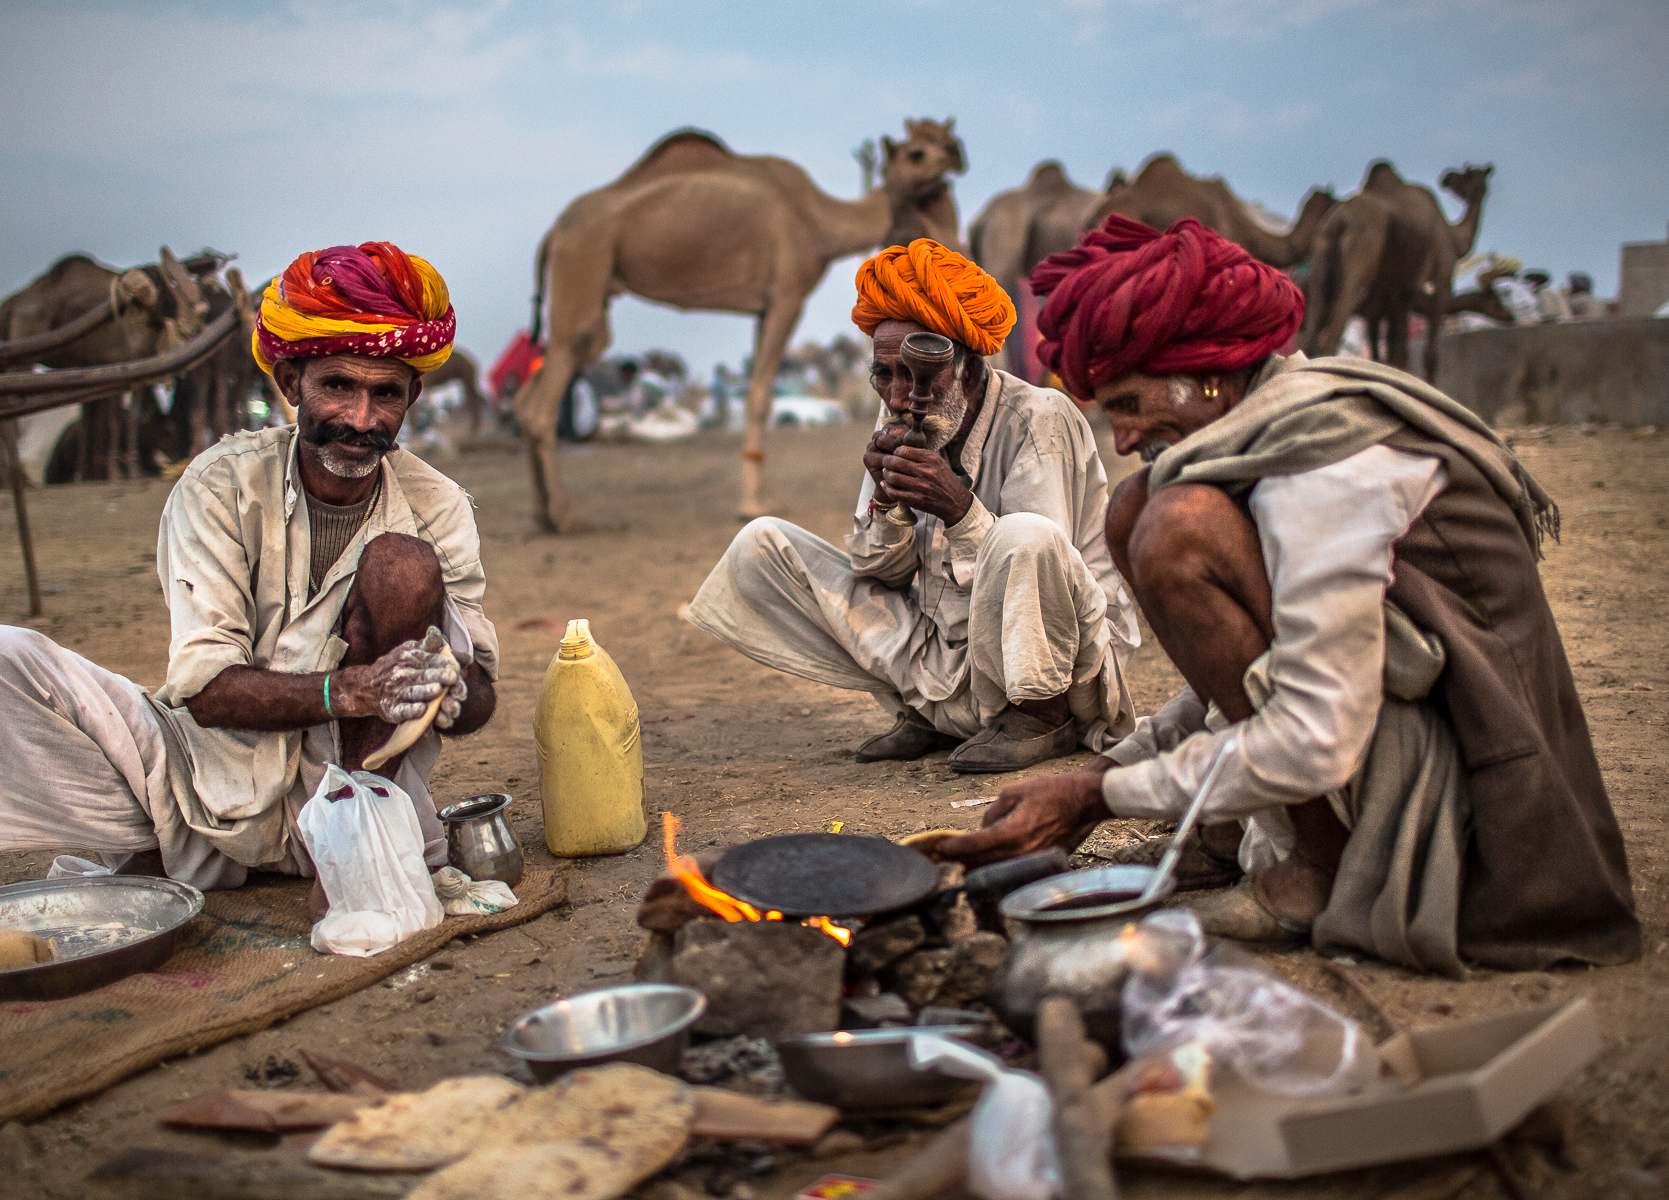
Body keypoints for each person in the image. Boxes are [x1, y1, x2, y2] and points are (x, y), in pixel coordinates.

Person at [938, 216, 1640, 975]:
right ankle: (1228, 835)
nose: (1126, 437)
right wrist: (1093, 777)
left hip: (1477, 791)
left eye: (1130, 405)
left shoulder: (1323, 468)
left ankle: (1319, 868)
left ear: (1205, 375)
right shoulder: (1270, 427)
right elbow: (1236, 680)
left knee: (1175, 526)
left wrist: (1102, 800)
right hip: (1379, 715)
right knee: (1138, 503)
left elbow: (1313, 732)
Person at [0, 242, 500, 902]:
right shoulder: (221, 484)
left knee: (402, 564)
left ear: (411, 396)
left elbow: (479, 697)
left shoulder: (436, 505)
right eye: (338, 386)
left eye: (385, 394)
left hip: (350, 794)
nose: (361, 420)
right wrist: (351, 690)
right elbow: (207, 689)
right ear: (290, 385)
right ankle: (162, 844)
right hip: (197, 776)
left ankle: (353, 847)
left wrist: (453, 686)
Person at [687, 238, 1138, 773]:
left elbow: (1038, 575)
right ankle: (930, 713)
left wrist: (957, 508)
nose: (900, 396)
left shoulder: (1040, 419)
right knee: (761, 546)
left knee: (1024, 535)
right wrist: (885, 499)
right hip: (948, 657)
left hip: (1058, 669)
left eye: (920, 374)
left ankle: (1041, 720)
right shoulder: (898, 417)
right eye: (886, 375)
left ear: (968, 368)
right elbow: (880, 572)